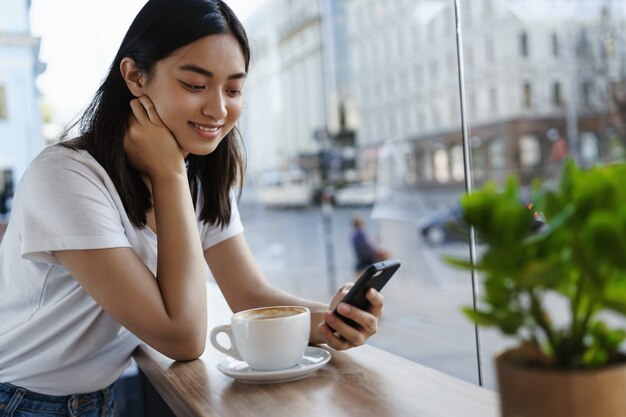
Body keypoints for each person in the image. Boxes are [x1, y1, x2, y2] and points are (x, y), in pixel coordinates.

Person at [0, 1, 384, 415]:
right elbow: (181, 337)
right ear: (135, 76)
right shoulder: (65, 177)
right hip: (17, 399)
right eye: (195, 85)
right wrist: (168, 175)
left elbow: (250, 295)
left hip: (94, 400)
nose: (218, 109)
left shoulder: (195, 176)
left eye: (233, 89)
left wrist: (332, 320)